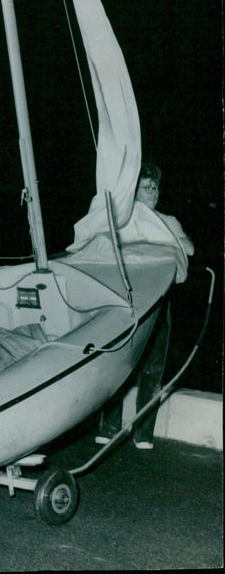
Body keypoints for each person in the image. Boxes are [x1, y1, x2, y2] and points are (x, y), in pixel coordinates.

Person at [95, 162, 193, 449]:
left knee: (153, 368)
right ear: (134, 193)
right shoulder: (124, 220)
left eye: (155, 187)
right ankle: (110, 425)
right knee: (120, 363)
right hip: (128, 302)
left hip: (159, 301)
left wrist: (163, 237)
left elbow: (188, 248)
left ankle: (143, 433)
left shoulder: (168, 221)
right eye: (146, 188)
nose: (152, 192)